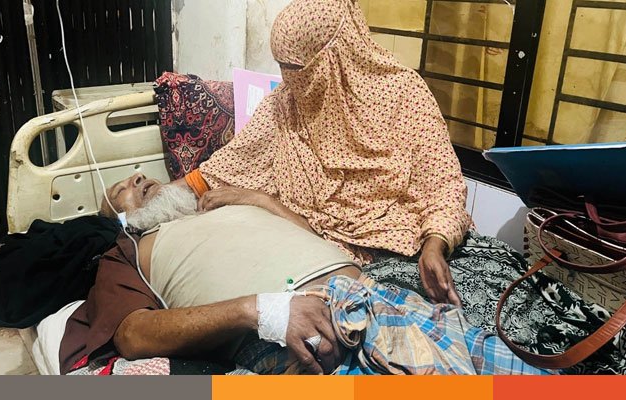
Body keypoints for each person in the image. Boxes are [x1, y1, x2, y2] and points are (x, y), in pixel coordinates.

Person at [73, 173, 551, 376]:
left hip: (378, 295)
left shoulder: (219, 203)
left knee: (526, 374)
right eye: (122, 189)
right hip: (304, 336)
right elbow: (133, 335)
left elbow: (314, 238)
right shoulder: (128, 251)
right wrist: (262, 311)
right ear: (119, 218)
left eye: (139, 175)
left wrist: (259, 201)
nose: (138, 179)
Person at [177, 0, 471, 308]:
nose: (287, 79)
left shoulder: (405, 95)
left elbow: (444, 187)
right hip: (317, 252)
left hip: (402, 247)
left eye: (295, 69)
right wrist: (159, 196)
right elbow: (229, 166)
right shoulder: (285, 104)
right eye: (281, 67)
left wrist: (435, 245)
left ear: (334, 60)